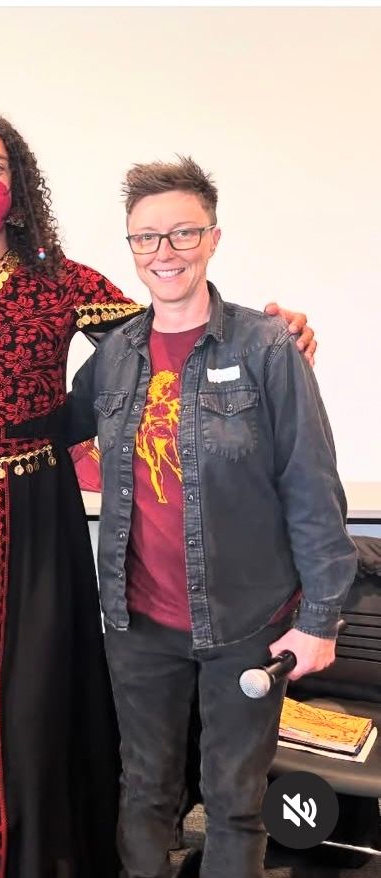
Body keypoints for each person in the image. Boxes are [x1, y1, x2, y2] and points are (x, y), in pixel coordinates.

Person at [0, 105, 317, 878]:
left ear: (21, 182)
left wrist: (268, 331)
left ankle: (44, 857)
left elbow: (167, 322)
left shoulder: (57, 280)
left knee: (40, 698)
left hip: (40, 518)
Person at [66, 157, 357, 878]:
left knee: (233, 801)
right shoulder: (113, 359)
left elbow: (310, 485)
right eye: (145, 239)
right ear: (130, 247)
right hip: (137, 626)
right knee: (144, 793)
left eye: (181, 234)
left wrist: (320, 616)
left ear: (213, 238)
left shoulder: (265, 348)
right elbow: (40, 430)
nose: (163, 253)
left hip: (246, 623)